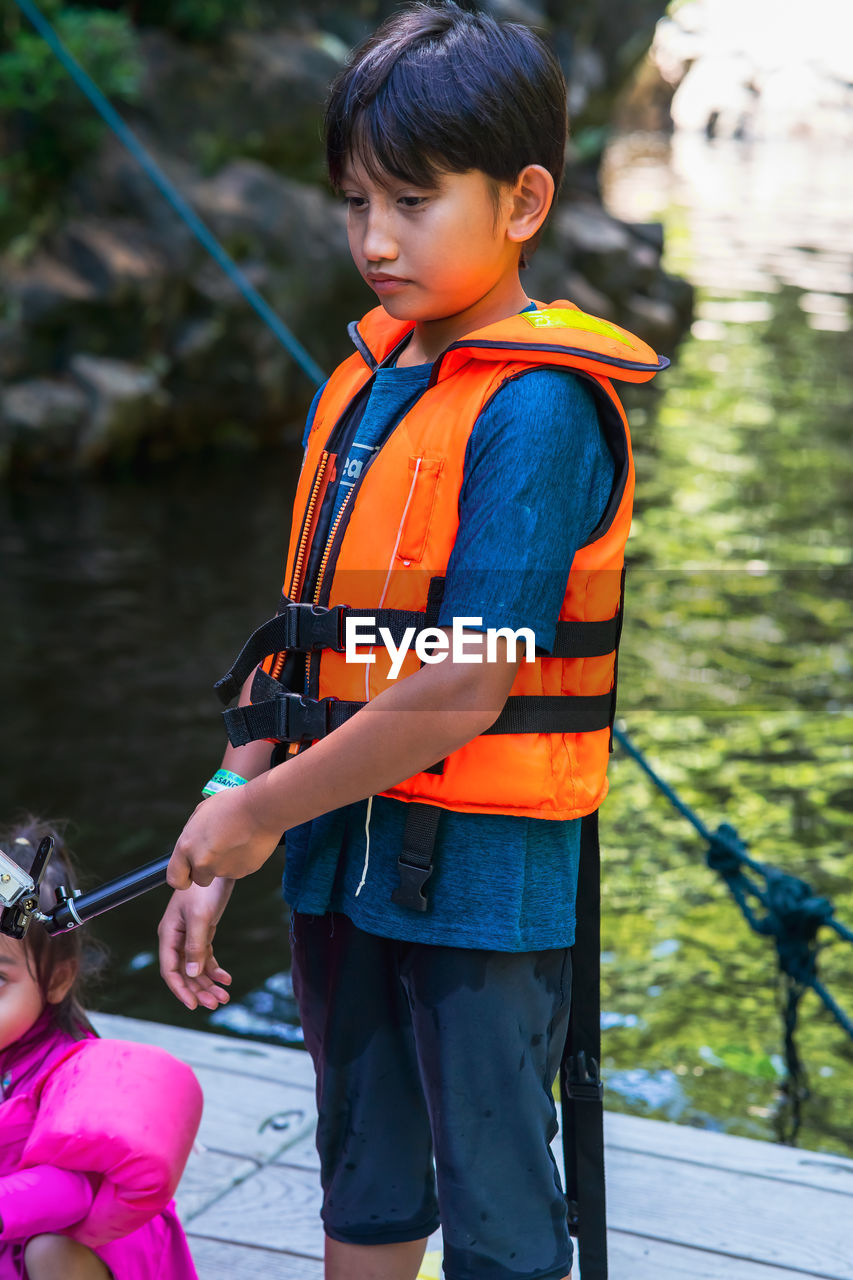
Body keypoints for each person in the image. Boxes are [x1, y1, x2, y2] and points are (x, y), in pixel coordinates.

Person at [157, 5, 666, 1279]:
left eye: (413, 202)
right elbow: (309, 636)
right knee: (366, 1185)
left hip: (483, 886)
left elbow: (464, 683)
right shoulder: (375, 380)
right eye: (354, 202)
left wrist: (262, 808)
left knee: (499, 1217)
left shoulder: (537, 410)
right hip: (342, 862)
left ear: (524, 199)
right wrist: (235, 797)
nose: (374, 241)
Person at [0, 820, 202, 1280]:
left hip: (86, 1243)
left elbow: (70, 1190)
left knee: (50, 1250)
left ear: (58, 979)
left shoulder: (78, 1072)